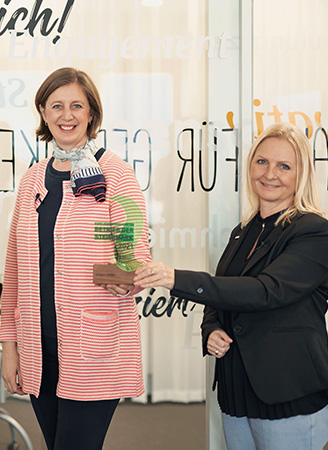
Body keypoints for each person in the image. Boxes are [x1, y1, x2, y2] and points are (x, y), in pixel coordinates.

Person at [134, 122, 328, 450]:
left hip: (287, 393)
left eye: (284, 166)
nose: (270, 174)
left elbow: (266, 291)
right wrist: (211, 329)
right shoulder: (244, 230)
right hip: (237, 393)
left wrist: (174, 278)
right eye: (262, 161)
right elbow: (220, 295)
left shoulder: (314, 231)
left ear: (301, 175)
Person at [0, 67, 151, 450]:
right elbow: (15, 270)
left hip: (92, 349)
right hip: (38, 349)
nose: (66, 116)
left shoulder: (117, 176)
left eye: (76, 106)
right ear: (43, 112)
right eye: (57, 106)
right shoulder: (32, 179)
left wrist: (99, 268)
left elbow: (134, 263)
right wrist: (9, 348)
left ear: (91, 115)